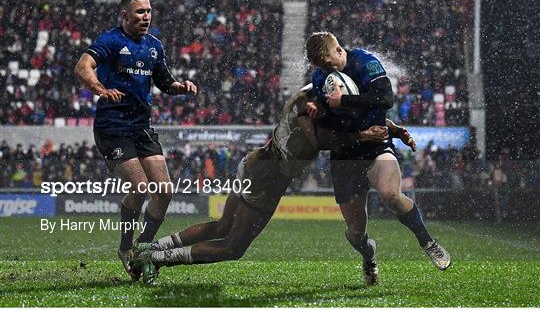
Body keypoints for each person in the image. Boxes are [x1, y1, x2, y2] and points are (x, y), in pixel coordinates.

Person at [132, 84, 416, 284]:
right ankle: (158, 259)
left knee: (221, 225)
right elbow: (324, 141)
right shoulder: (312, 114)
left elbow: (351, 116)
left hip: (255, 162)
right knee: (233, 247)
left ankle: (152, 248)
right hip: (268, 180)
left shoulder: (306, 94)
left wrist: (390, 128)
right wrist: (364, 137)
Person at [305, 31, 451, 278]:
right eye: (321, 67)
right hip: (344, 155)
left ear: (339, 51)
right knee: (355, 232)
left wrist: (346, 101)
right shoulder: (319, 77)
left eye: (329, 63)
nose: (326, 70)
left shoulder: (365, 62)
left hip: (376, 147)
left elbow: (385, 99)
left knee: (391, 194)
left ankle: (427, 241)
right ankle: (368, 254)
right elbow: (329, 129)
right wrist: (319, 111)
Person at [74, 0, 197, 280]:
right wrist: (101, 90)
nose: (146, 16)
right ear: (125, 14)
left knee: (165, 191)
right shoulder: (111, 40)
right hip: (113, 126)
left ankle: (144, 247)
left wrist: (180, 87)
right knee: (140, 188)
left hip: (141, 126)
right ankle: (125, 248)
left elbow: (164, 81)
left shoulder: (154, 46)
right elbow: (83, 67)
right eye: (140, 11)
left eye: (149, 11)